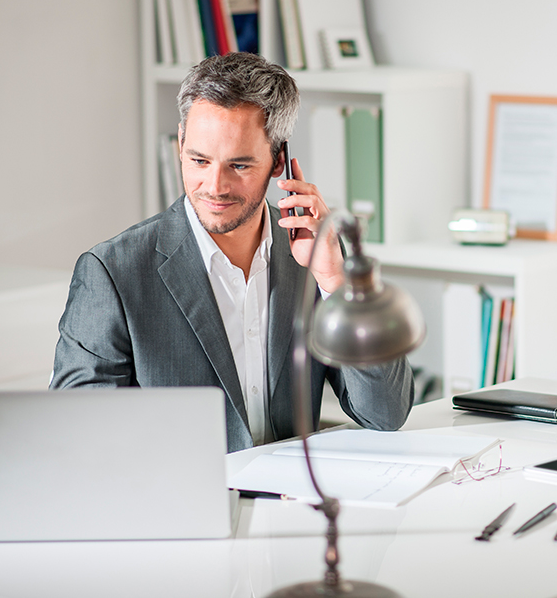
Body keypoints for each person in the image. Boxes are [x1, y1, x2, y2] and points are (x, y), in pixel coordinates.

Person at [51, 52, 414, 452]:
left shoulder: (315, 256)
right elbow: (78, 442)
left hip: (293, 506)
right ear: (181, 143)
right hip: (184, 506)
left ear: (279, 162)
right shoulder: (113, 274)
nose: (215, 186)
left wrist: (336, 282)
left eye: (239, 166)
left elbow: (386, 414)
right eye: (199, 160)